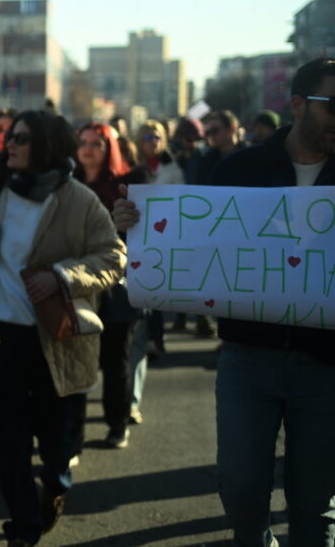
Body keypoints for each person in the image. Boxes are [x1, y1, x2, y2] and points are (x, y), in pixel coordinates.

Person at [113, 58, 335, 547]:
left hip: (327, 366)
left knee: (316, 508)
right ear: (298, 105)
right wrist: (137, 223)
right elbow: (195, 242)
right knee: (240, 489)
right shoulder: (241, 168)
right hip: (247, 356)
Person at [0, 110, 125, 547]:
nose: (9, 144)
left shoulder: (78, 199)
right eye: (9, 136)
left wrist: (61, 275)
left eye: (21, 138)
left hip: (55, 339)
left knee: (55, 441)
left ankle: (57, 485)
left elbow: (113, 257)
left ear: (46, 144)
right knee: (7, 442)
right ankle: (22, 529)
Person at [74, 122, 149, 450]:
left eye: (97, 143)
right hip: (79, 283)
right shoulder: (68, 183)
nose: (88, 149)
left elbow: (148, 233)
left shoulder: (128, 184)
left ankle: (117, 424)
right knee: (79, 359)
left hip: (120, 283)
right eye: (84, 142)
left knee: (116, 357)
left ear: (110, 149)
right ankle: (71, 437)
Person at [196, 110, 244, 184]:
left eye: (214, 131)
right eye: (208, 132)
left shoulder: (250, 156)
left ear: (231, 129)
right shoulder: (206, 161)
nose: (210, 136)